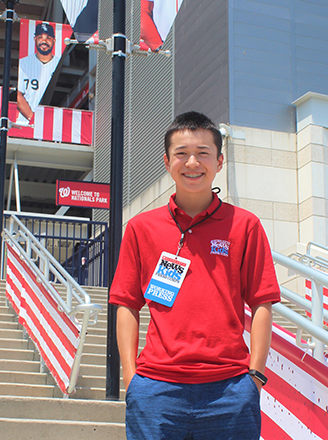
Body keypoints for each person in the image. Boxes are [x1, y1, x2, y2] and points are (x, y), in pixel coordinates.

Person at [109, 111, 280, 440]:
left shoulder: (245, 226)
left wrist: (255, 376)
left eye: (203, 153)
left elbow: (262, 302)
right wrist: (132, 379)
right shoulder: (141, 228)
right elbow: (126, 305)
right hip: (156, 389)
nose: (192, 163)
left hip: (229, 389)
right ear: (166, 161)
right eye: (181, 154)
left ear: (219, 161)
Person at [17, 22, 59, 123]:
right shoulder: (24, 62)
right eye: (40, 37)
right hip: (24, 122)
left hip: (51, 124)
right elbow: (18, 96)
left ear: (54, 40)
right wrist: (33, 120)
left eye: (48, 38)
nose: (44, 41)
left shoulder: (58, 63)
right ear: (35, 39)